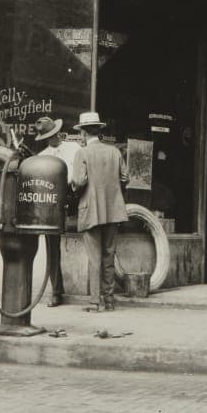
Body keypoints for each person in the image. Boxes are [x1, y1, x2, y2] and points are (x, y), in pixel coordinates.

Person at [70, 111, 129, 312]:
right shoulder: (114, 152)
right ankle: (109, 300)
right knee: (108, 256)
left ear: (84, 133)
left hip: (91, 210)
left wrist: (75, 190)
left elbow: (78, 182)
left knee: (94, 258)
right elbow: (125, 178)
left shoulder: (82, 153)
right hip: (113, 210)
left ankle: (95, 302)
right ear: (98, 131)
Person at [33, 115, 79, 307]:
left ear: (59, 132)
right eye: (47, 137)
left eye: (52, 135)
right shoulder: (41, 156)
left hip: (74, 201)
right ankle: (56, 291)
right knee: (52, 249)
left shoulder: (75, 149)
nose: (51, 139)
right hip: (52, 205)